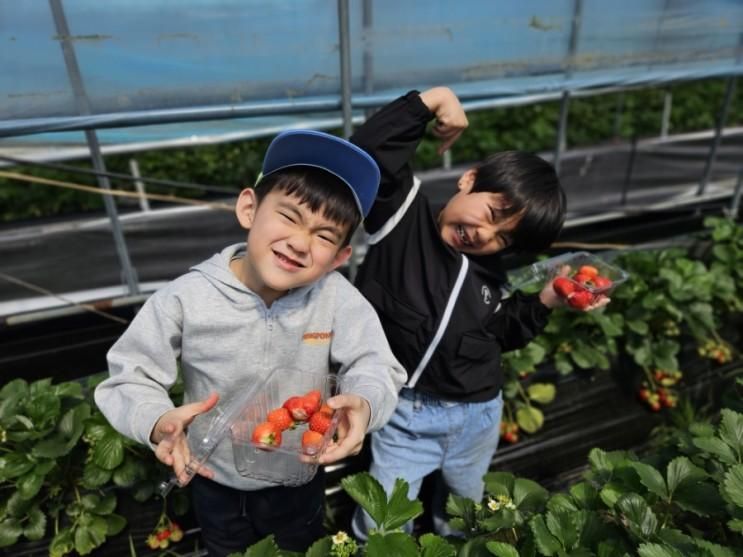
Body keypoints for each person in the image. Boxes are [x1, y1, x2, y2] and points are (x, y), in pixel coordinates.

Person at [94, 129, 407, 556]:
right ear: (249, 209)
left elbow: (376, 365)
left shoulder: (337, 300)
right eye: (290, 216)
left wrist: (365, 403)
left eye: (325, 235)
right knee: (227, 549)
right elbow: (130, 373)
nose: (300, 242)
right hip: (214, 479)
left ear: (339, 258)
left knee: (298, 546)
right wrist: (154, 418)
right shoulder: (188, 297)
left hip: (298, 477)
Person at [349, 87, 608, 538]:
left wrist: (547, 299)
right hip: (405, 417)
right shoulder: (402, 219)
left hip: (477, 418)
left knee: (464, 514)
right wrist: (432, 101)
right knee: (381, 523)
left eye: (503, 238)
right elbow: (367, 152)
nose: (483, 234)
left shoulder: (492, 273)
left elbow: (500, 334)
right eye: (490, 212)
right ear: (468, 180)